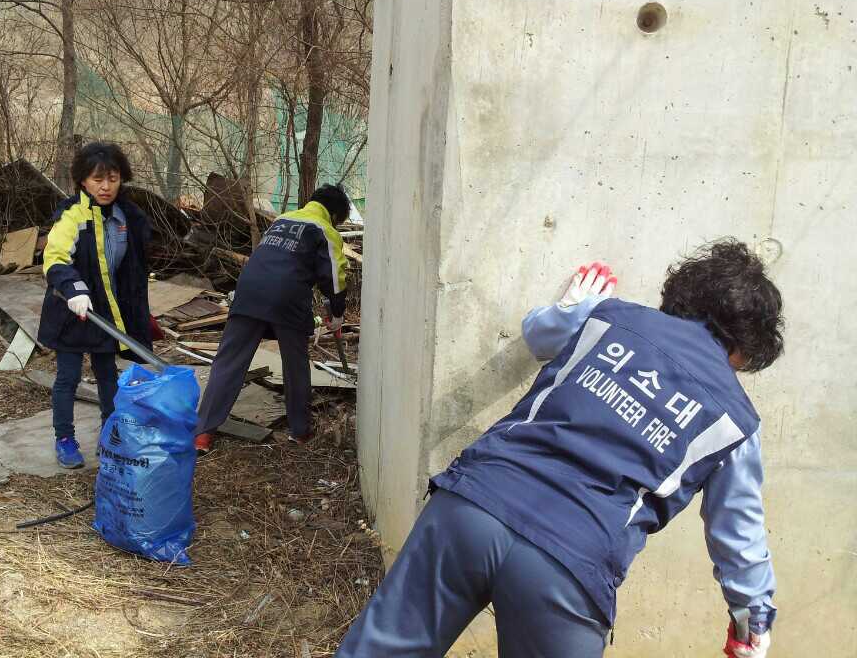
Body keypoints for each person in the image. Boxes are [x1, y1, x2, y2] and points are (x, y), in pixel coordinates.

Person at [336, 240, 783, 658]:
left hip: (472, 507)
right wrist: (752, 621)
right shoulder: (735, 420)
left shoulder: (608, 317)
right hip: (569, 562)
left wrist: (569, 306)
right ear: (743, 347)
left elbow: (539, 335)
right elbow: (738, 534)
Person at [194, 184, 351, 451]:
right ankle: (300, 431)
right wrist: (336, 314)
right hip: (287, 297)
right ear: (334, 215)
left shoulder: (281, 220)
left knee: (228, 363)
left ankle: (202, 433)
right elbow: (334, 279)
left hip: (248, 292)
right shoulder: (325, 230)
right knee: (295, 366)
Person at [38, 142, 152, 469]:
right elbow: (55, 258)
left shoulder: (126, 216)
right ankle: (64, 438)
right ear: (83, 181)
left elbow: (132, 268)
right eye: (97, 179)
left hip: (105, 311)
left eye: (112, 179)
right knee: (68, 377)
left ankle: (110, 434)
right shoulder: (72, 215)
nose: (105, 187)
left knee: (107, 375)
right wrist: (74, 289)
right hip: (72, 309)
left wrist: (137, 312)